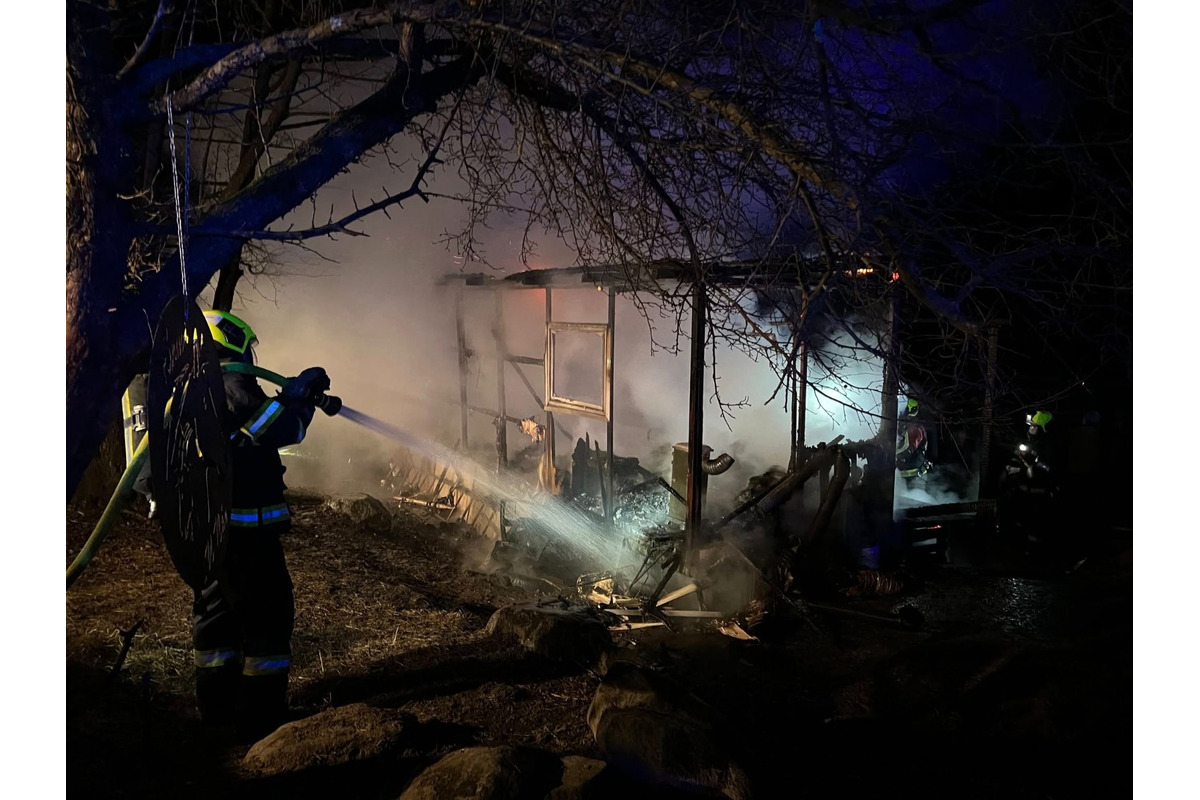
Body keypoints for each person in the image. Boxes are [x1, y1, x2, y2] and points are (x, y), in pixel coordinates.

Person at [192, 309, 332, 739]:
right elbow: (283, 429)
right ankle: (261, 721)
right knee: (268, 619)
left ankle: (218, 714)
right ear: (233, 342)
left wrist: (289, 395)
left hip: (209, 536)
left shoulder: (190, 385)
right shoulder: (232, 385)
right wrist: (300, 399)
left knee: (217, 621)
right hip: (246, 534)